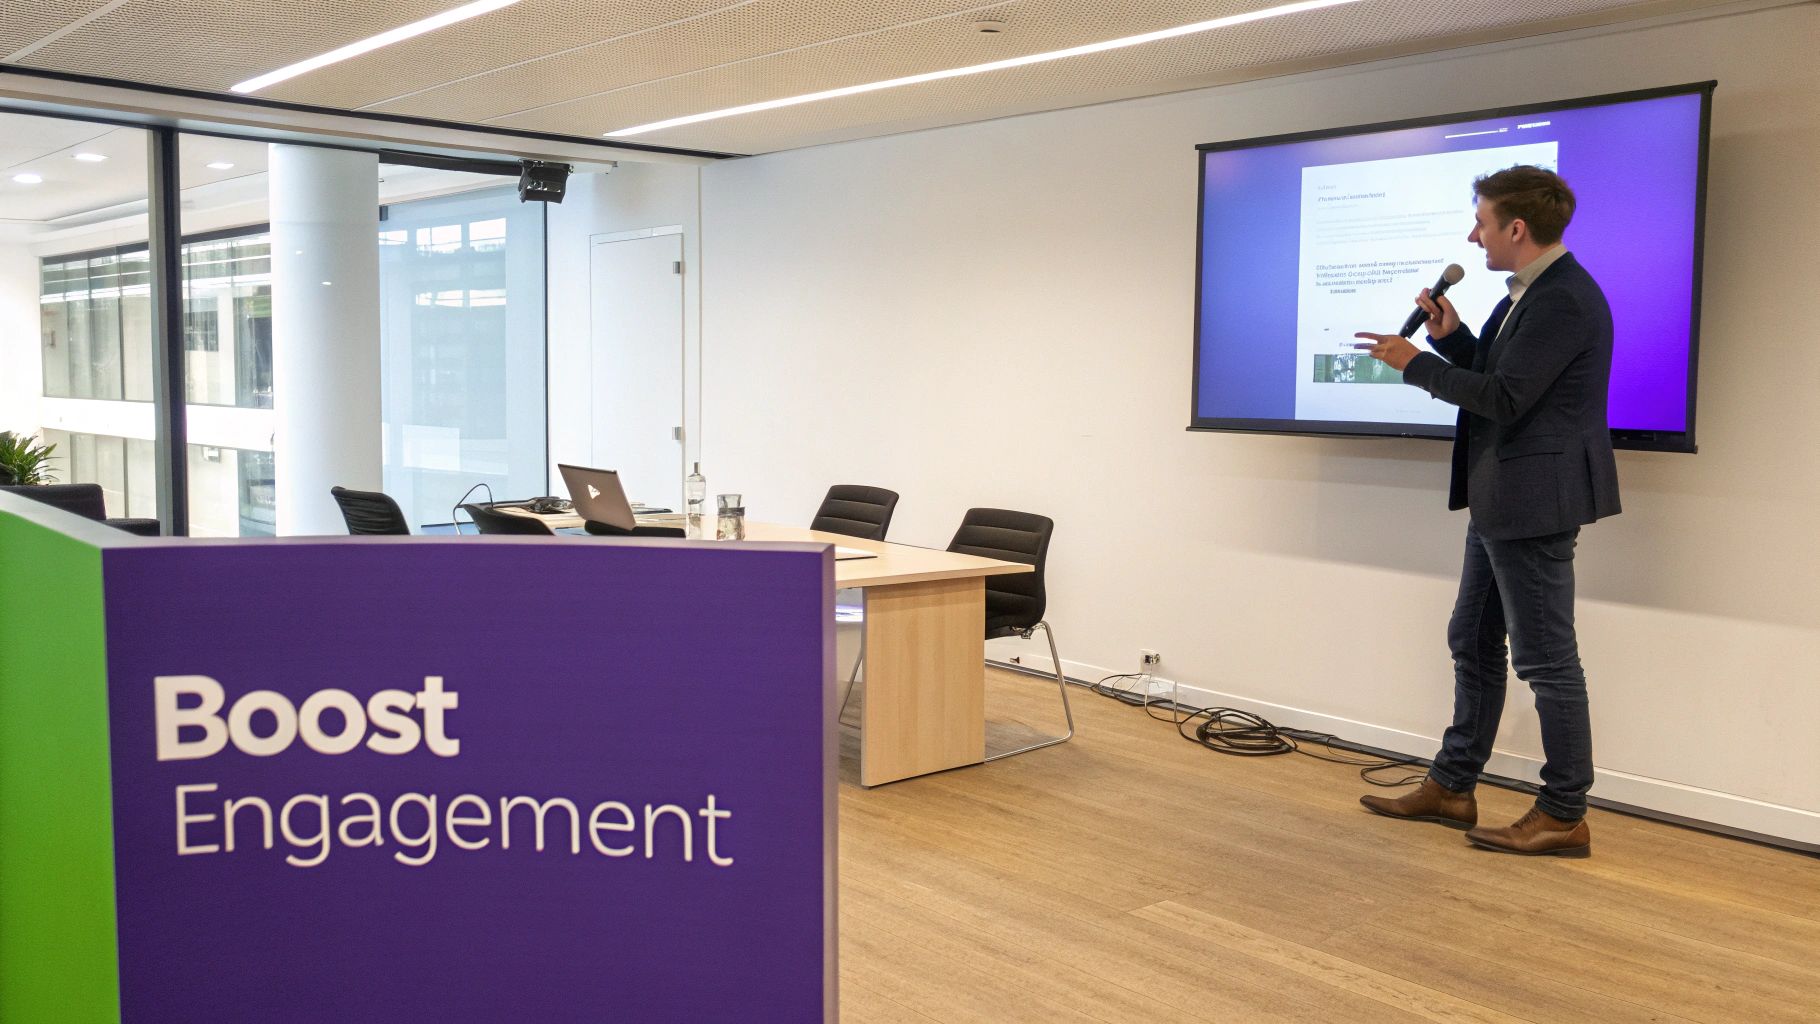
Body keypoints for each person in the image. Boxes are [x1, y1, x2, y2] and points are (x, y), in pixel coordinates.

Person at [1351, 165, 1620, 857]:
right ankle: (1453, 785)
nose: (1474, 236)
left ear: (1517, 228)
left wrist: (1414, 362)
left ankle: (1564, 812)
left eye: (1482, 222)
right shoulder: (1529, 293)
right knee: (1471, 639)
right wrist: (1450, 338)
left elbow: (1504, 401)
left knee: (1546, 661)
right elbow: (1500, 376)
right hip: (1504, 499)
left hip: (1533, 503)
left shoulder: (1562, 300)